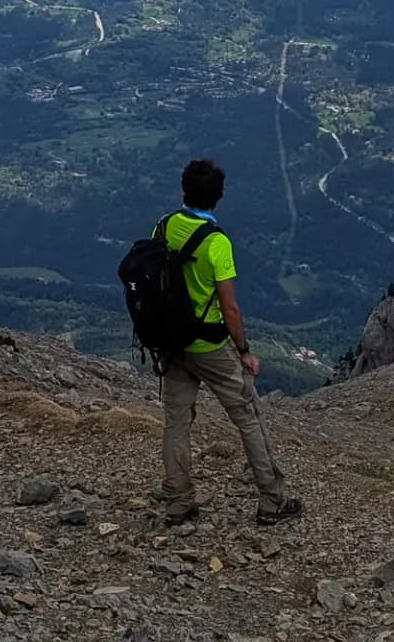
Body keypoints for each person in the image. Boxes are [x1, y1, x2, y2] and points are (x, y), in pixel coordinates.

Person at [156, 157, 303, 526]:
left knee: (176, 423)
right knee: (248, 418)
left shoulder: (165, 225)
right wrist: (244, 351)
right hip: (210, 345)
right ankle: (272, 501)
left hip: (172, 343)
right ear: (218, 197)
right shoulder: (217, 243)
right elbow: (230, 308)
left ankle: (179, 503)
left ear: (184, 189)